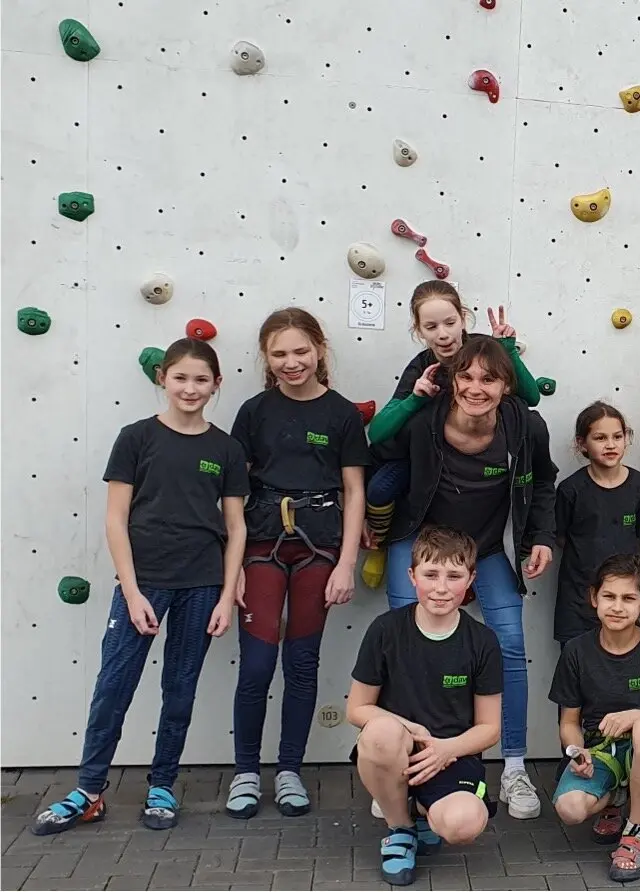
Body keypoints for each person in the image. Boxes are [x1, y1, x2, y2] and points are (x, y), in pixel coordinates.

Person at [33, 338, 248, 835]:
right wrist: (131, 592)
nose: (190, 389)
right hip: (144, 582)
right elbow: (115, 519)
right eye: (181, 378)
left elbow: (236, 527)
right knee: (114, 685)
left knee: (180, 687)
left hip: (201, 584)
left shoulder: (227, 449)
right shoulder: (136, 438)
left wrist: (226, 595)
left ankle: (163, 785)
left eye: (201, 380)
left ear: (217, 384)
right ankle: (89, 790)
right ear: (162, 380)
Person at [371, 335, 557, 819]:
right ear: (451, 380)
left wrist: (541, 537)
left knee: (510, 645)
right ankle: (402, 764)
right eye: (467, 376)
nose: (476, 387)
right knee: (405, 644)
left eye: (489, 379)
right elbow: (373, 444)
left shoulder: (525, 427)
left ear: (505, 386)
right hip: (422, 540)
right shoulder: (423, 420)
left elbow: (543, 483)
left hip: (490, 545)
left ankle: (513, 767)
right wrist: (412, 397)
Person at [225, 308, 369, 819]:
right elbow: (233, 492)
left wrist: (346, 563)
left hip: (319, 549)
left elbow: (355, 491)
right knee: (258, 664)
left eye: (301, 351)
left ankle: (289, 770)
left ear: (320, 350)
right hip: (261, 543)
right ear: (266, 358)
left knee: (301, 663)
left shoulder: (342, 414)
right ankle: (245, 772)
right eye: (280, 354)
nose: (292, 363)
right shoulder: (253, 412)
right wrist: (233, 563)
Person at [346, 526, 501, 887]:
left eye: (454, 576)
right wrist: (409, 728)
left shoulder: (483, 641)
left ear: (471, 579)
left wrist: (447, 749)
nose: (442, 588)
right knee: (381, 732)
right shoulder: (385, 630)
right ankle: (400, 828)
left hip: (453, 753)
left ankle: (422, 808)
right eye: (431, 574)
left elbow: (489, 728)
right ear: (412, 576)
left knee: (463, 825)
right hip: (396, 750)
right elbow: (357, 709)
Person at [361, 280, 542, 588]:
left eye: (450, 322)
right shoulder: (421, 366)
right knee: (378, 489)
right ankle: (382, 544)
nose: (442, 334)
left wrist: (509, 350)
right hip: (418, 459)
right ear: (419, 330)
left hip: (464, 464)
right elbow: (377, 434)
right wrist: (415, 398)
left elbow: (532, 397)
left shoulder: (485, 349)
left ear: (463, 318)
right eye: (430, 326)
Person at [549, 554, 640, 883]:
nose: (617, 607)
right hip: (601, 752)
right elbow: (569, 721)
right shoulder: (577, 651)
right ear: (594, 597)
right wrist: (576, 752)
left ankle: (635, 832)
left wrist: (637, 715)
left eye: (629, 598)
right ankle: (618, 796)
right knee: (569, 809)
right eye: (609, 596)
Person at [553, 401, 640, 646]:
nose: (610, 445)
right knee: (577, 668)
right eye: (600, 437)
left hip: (622, 598)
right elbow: (560, 536)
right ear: (582, 443)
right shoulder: (571, 490)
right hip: (577, 599)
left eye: (617, 436)